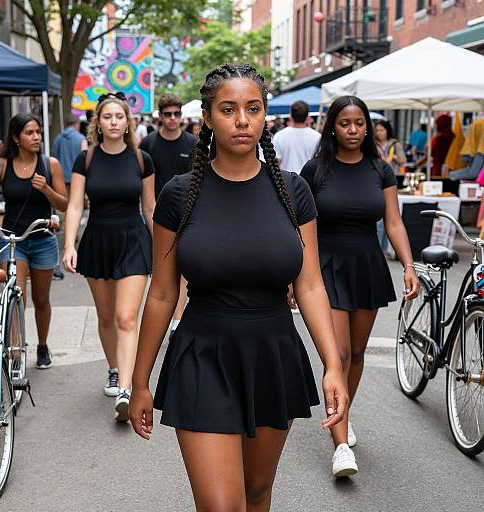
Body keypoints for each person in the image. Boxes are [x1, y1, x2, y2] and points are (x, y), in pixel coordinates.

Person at [129, 63, 350, 510]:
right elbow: (162, 294)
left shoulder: (292, 192)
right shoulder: (178, 194)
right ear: (208, 117)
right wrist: (139, 381)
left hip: (273, 354)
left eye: (253, 108)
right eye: (228, 109)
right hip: (201, 354)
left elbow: (309, 286)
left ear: (266, 115)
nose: (242, 120)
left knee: (256, 492)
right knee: (219, 504)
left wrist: (332, 365)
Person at [300, 95, 419, 472]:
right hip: (325, 267)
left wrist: (408, 265)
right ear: (332, 126)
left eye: (359, 123)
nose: (352, 130)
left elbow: (394, 222)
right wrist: (293, 274)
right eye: (345, 123)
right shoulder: (315, 169)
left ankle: (343, 412)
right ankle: (340, 447)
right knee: (339, 353)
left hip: (366, 265)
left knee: (359, 354)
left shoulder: (380, 169)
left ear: (367, 127)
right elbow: (299, 227)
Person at [63, 92, 156, 423]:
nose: (114, 122)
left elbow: (150, 207)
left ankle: (126, 389)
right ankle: (115, 369)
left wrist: (163, 246)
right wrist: (69, 245)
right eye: (108, 117)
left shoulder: (142, 159)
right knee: (105, 317)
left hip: (133, 239)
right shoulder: (85, 159)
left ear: (127, 122)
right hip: (97, 241)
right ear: (98, 124)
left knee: (126, 318)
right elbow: (75, 205)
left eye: (120, 116)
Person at [0, 113, 68, 369]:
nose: (36, 137)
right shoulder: (1, 165)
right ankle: (15, 351)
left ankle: (43, 345)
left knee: (41, 299)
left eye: (38, 132)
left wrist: (46, 189)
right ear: (16, 137)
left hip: (42, 239)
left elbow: (66, 204)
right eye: (30, 133)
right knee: (17, 294)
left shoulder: (50, 164)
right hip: (13, 241)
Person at [140, 93, 197, 339]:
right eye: (168, 114)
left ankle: (176, 321)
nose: (173, 119)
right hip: (158, 214)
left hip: (189, 213)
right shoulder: (148, 144)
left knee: (184, 269)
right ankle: (167, 318)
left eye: (176, 114)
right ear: (160, 116)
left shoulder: (192, 143)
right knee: (163, 270)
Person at [51, 115, 88, 279]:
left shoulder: (58, 138)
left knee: (65, 207)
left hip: (60, 178)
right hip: (77, 178)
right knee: (76, 206)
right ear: (77, 124)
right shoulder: (80, 138)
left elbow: (53, 156)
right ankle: (72, 235)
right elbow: (85, 159)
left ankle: (65, 232)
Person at [272, 100, 321, 174]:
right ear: (307, 116)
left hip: (286, 180)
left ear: (290, 115)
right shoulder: (318, 137)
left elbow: (276, 163)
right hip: (309, 181)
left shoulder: (279, 136)